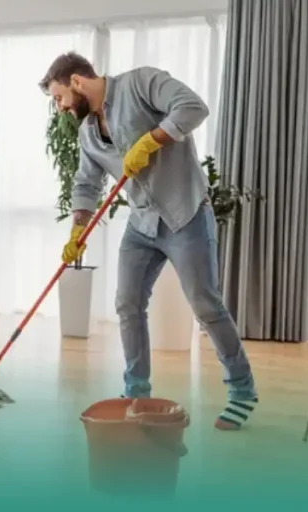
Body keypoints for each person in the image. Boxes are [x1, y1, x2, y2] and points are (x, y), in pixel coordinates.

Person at [39, 52, 258, 430]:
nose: (59, 108)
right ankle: (136, 392)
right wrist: (78, 228)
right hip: (141, 223)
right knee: (127, 304)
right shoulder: (88, 132)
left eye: (58, 97)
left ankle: (242, 389)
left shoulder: (140, 84)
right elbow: (86, 183)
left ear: (77, 82)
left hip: (185, 213)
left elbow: (193, 107)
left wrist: (150, 141)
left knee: (206, 306)